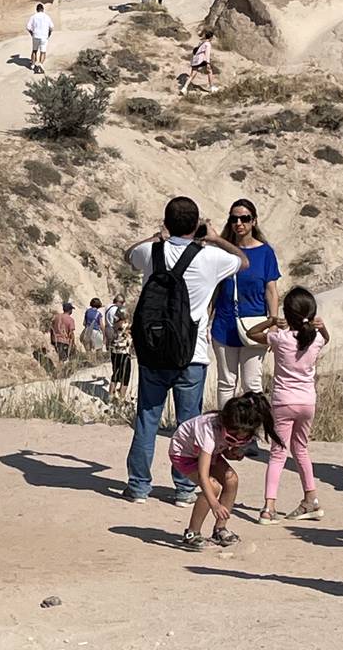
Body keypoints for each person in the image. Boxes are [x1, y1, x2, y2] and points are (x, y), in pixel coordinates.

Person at [124, 197, 249, 505]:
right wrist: (217, 238)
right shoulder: (210, 257)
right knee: (189, 424)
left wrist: (156, 238)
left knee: (146, 419)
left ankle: (139, 486)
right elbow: (243, 262)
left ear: (167, 223)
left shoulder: (152, 253)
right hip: (191, 354)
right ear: (197, 225)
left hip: (154, 350)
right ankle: (184, 488)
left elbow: (128, 254)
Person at [246, 288, 330, 524]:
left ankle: (269, 507)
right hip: (307, 402)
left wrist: (271, 321)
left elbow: (252, 334)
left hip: (283, 401)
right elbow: (327, 338)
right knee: (301, 450)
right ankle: (310, 499)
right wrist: (320, 326)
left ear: (288, 315)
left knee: (277, 453)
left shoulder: (280, 338)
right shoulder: (316, 339)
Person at [169, 392, 284, 551]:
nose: (237, 440)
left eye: (242, 439)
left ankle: (220, 530)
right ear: (224, 423)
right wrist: (215, 504)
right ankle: (192, 533)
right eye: (232, 437)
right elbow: (203, 474)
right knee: (212, 486)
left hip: (210, 453)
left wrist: (235, 453)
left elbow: (224, 450)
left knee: (232, 479)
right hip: (184, 454)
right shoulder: (208, 429)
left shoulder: (239, 427)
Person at [211, 199, 281, 410]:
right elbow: (214, 289)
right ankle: (225, 431)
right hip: (224, 324)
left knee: (252, 383)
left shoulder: (265, 252)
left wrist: (273, 323)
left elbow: (271, 290)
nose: (239, 223)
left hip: (255, 325)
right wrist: (207, 319)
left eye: (244, 218)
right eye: (234, 219)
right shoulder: (222, 252)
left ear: (254, 221)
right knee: (226, 382)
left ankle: (251, 433)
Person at [180, 30, 217, 96]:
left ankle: (184, 88)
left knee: (192, 75)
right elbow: (207, 54)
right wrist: (208, 63)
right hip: (202, 60)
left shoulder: (201, 43)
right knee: (209, 71)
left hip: (195, 59)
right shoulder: (208, 44)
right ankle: (212, 88)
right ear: (211, 37)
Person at [108, 306, 132, 403]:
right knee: (125, 377)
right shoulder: (127, 325)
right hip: (124, 352)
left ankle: (110, 396)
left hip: (114, 352)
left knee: (115, 374)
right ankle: (121, 399)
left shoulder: (114, 324)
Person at [26, 2, 54, 74]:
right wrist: (49, 34)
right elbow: (51, 27)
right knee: (43, 51)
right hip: (44, 36)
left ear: (36, 10)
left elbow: (28, 27)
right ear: (43, 9)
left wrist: (32, 33)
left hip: (36, 35)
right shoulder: (47, 17)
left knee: (34, 50)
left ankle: (32, 64)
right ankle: (40, 64)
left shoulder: (33, 17)